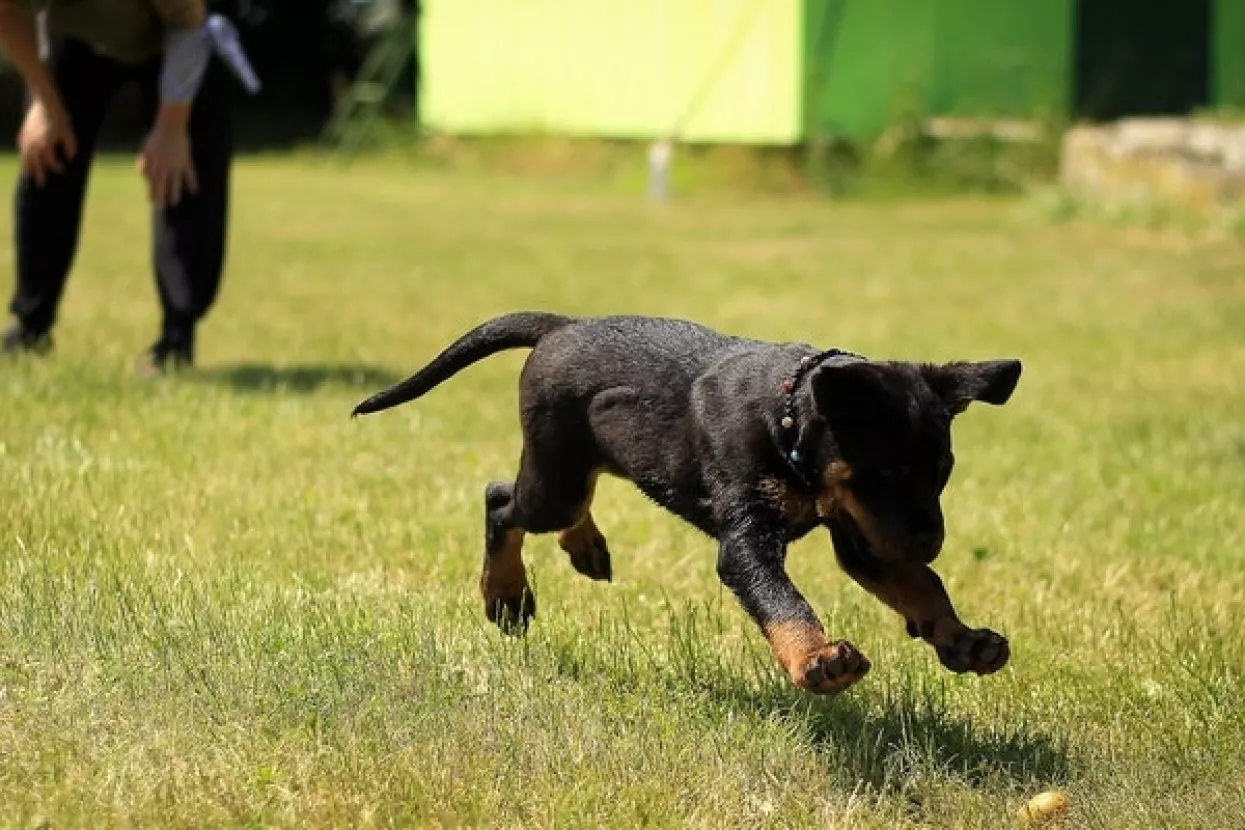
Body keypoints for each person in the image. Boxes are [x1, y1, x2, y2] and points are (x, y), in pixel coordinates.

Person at [0, 1, 253, 373]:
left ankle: (176, 337)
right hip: (74, 39)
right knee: (46, 155)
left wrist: (171, 127)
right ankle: (30, 326)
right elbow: (8, 11)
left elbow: (188, 24)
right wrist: (41, 100)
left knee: (181, 173)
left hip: (178, 39)